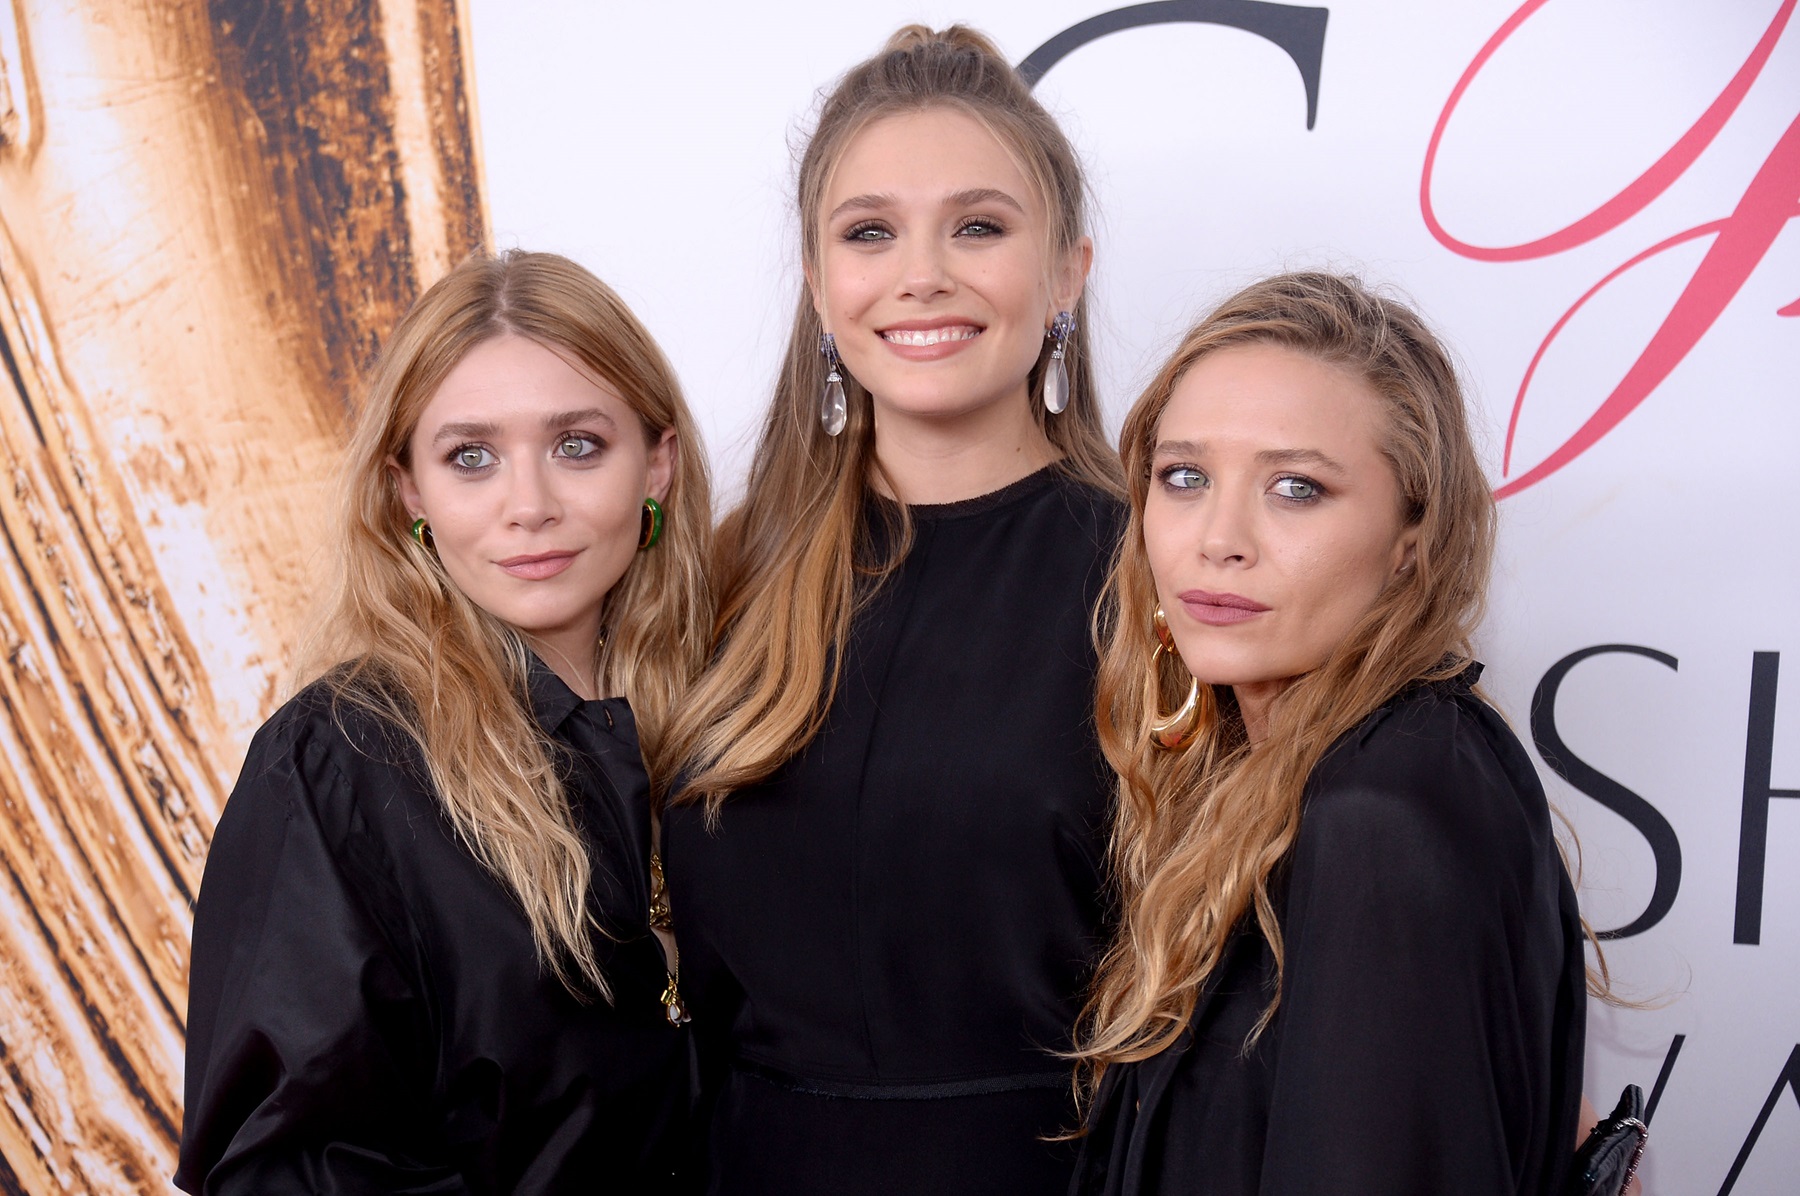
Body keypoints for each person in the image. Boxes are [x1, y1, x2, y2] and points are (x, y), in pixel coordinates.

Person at [660, 25, 1123, 1194]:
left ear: (1067, 268)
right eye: (871, 231)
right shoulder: (721, 574)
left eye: (978, 225)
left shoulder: (1162, 578)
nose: (922, 273)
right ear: (821, 285)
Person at [176, 250, 713, 1194]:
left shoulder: (737, 717)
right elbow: (282, 1172)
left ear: (656, 462)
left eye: (578, 445)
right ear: (409, 492)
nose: (531, 506)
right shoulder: (338, 763)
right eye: (472, 457)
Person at [1070, 272, 1587, 1195]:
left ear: (1411, 537)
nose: (1218, 538)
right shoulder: (1303, 769)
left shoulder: (1383, 810)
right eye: (1183, 477)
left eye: (1296, 488)